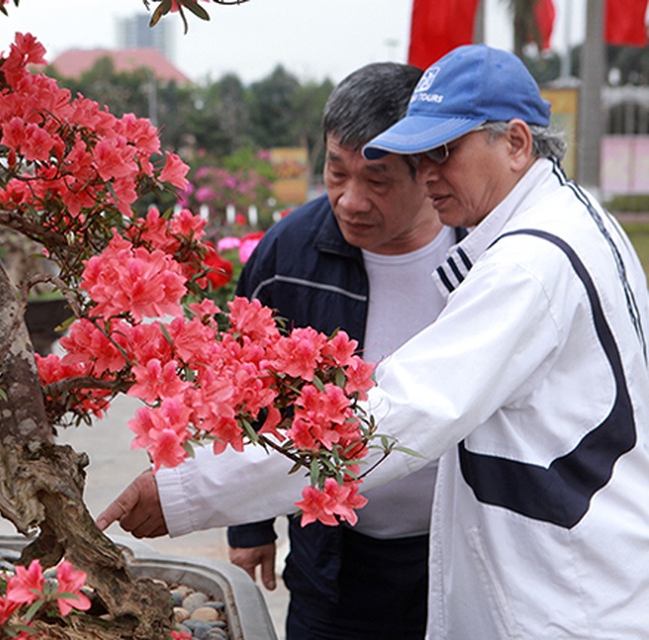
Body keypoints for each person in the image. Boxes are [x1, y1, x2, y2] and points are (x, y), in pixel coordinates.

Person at [99, 44, 649, 639]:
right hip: (517, 570)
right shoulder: (572, 220)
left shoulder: (527, 266)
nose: (430, 172)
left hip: (559, 592)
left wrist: (186, 489)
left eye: (445, 151)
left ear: (516, 144)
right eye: (421, 154)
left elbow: (400, 412)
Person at [223, 62, 463, 640]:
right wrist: (248, 522)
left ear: (427, 168)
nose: (350, 200)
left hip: (457, 550)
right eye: (336, 172)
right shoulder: (291, 252)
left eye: (377, 181)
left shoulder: (484, 252)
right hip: (333, 560)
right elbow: (241, 385)